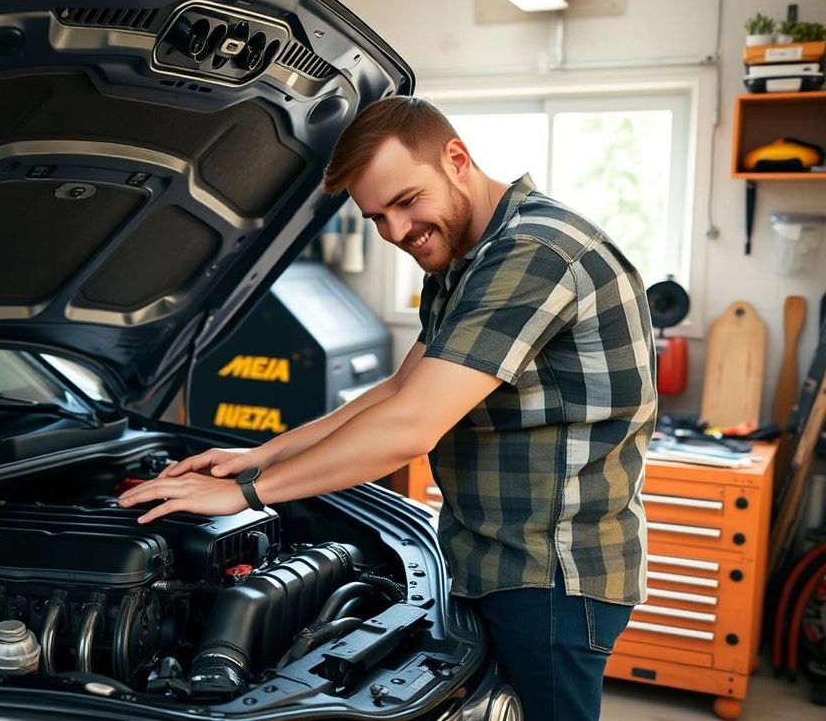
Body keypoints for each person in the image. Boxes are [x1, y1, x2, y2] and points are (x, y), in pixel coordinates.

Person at [118, 96, 658, 721]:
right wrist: (258, 454)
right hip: (494, 556)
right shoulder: (464, 259)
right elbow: (400, 391)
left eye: (406, 202)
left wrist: (250, 494)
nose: (397, 233)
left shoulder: (536, 252)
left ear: (457, 160)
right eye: (377, 217)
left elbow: (411, 428)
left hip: (552, 576)